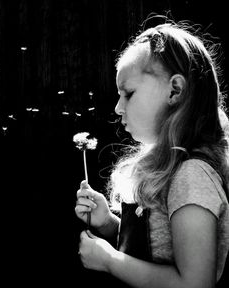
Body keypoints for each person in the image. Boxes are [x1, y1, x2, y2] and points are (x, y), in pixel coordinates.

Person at [75, 17, 229, 288]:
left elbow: (195, 283)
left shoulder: (191, 176)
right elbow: (156, 244)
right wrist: (109, 223)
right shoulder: (170, 168)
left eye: (129, 93)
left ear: (175, 90)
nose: (118, 108)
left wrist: (110, 261)